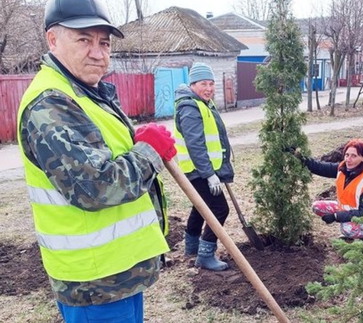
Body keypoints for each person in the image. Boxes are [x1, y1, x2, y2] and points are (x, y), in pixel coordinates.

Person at [16, 0, 177, 322]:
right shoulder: (51, 104)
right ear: (52, 40)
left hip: (118, 271)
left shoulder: (85, 92)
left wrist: (137, 141)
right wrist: (148, 152)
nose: (98, 52)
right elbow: (96, 186)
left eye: (104, 42)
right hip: (94, 279)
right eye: (83, 39)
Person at [173, 62, 234, 271]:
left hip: (202, 169)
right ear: (192, 85)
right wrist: (209, 175)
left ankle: (191, 247)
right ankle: (205, 255)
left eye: (211, 83)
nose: (208, 88)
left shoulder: (202, 103)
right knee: (219, 209)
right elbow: (195, 144)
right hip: (199, 171)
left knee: (200, 207)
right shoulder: (189, 107)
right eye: (203, 84)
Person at [295, 139, 363, 241]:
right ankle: (354, 229)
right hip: (349, 209)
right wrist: (300, 157)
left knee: (347, 229)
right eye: (347, 155)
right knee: (317, 207)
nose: (348, 159)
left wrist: (336, 216)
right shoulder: (343, 169)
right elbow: (319, 167)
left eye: (353, 156)